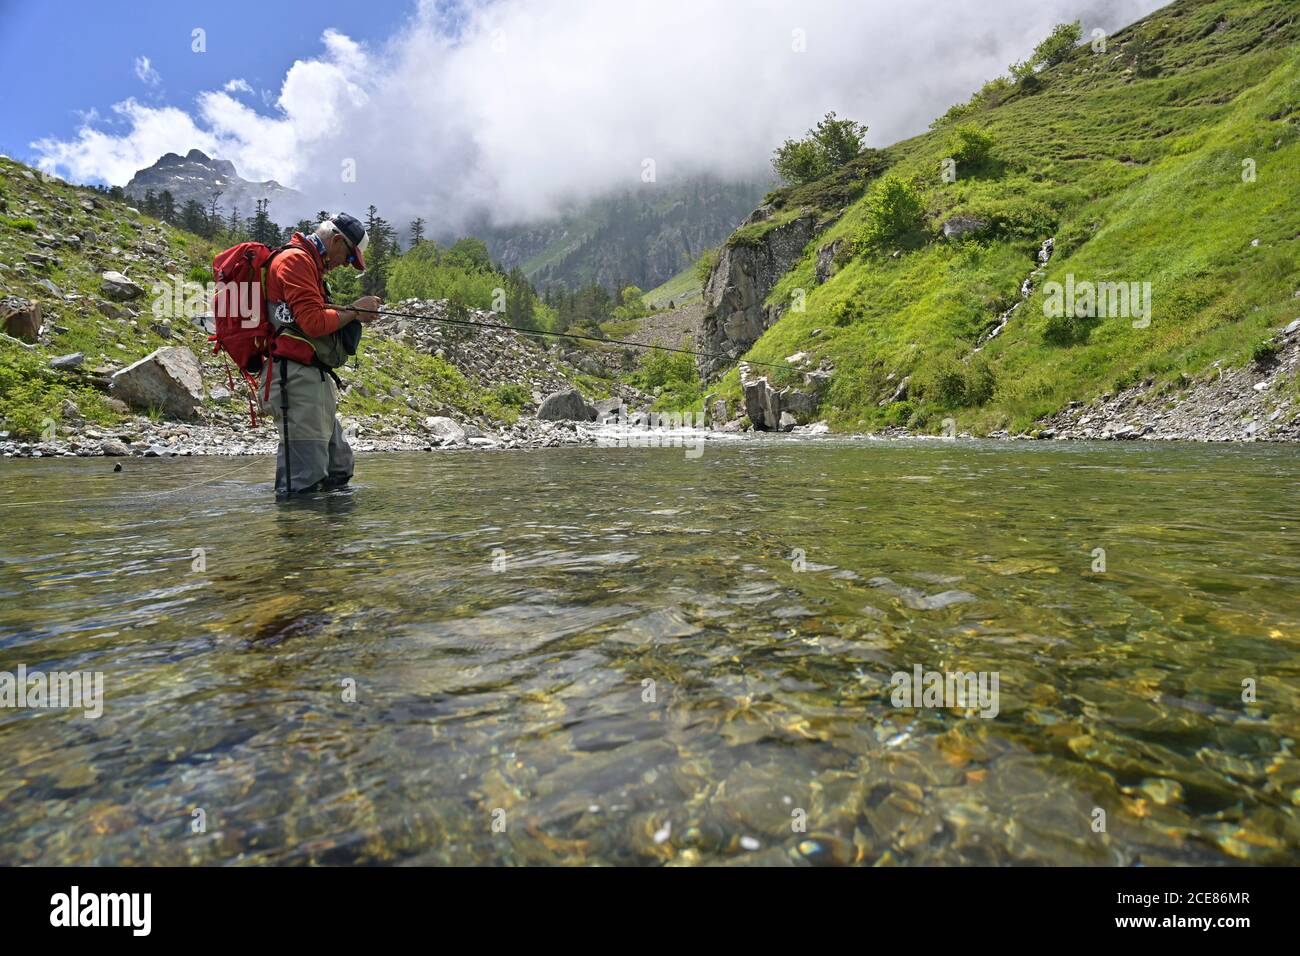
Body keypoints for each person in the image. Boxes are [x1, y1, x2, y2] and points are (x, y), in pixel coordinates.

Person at [263, 213, 381, 494]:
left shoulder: (311, 266)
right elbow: (313, 323)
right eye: (349, 258)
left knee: (339, 467)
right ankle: (301, 532)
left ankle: (329, 537)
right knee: (305, 480)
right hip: (295, 379)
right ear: (337, 241)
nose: (346, 265)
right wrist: (354, 310)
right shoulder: (296, 261)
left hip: (313, 380)